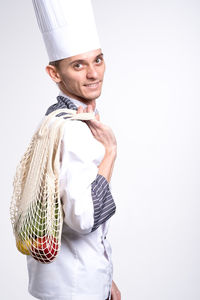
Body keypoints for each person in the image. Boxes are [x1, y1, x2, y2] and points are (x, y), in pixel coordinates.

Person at [27, 1, 121, 299]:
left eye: (98, 60)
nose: (93, 74)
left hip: (67, 281)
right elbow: (84, 219)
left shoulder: (53, 117)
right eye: (78, 65)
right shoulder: (73, 129)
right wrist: (110, 152)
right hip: (77, 288)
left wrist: (107, 279)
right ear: (54, 73)